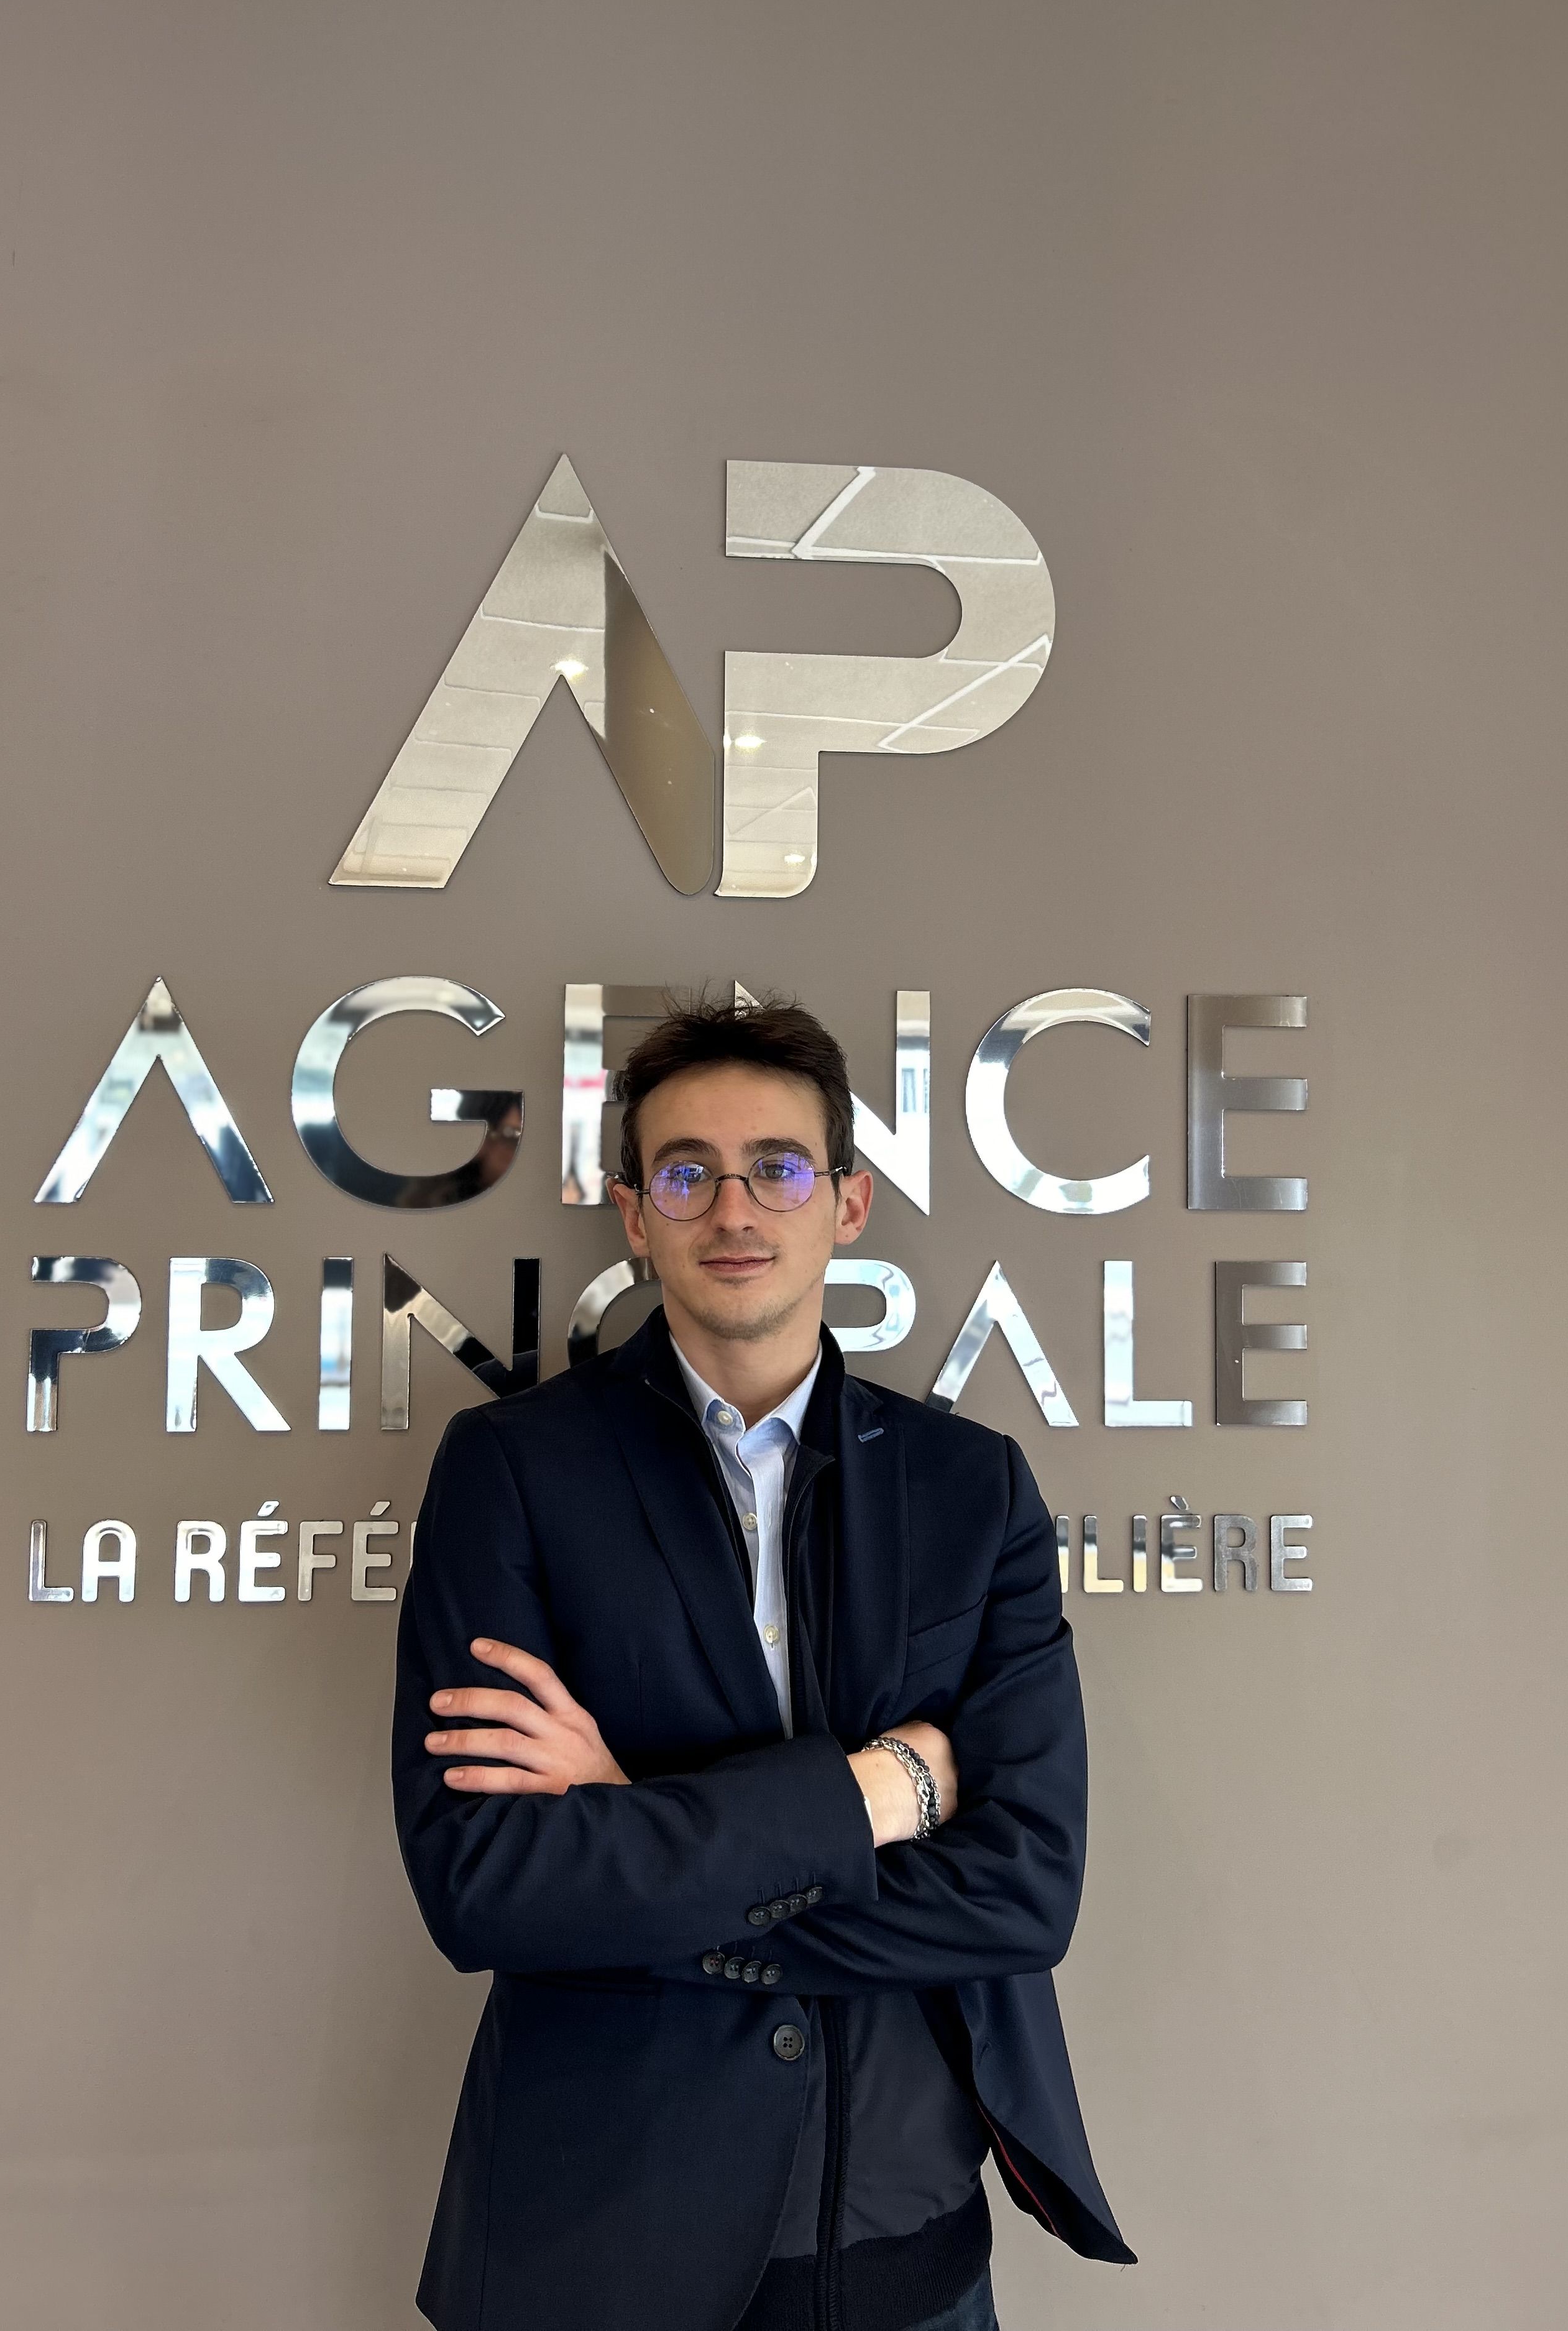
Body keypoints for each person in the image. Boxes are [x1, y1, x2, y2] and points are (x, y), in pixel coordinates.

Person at [393, 996, 1132, 2331]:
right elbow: (484, 1884)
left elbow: (1021, 1894)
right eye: (686, 1173)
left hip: (910, 2256)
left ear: (846, 1201)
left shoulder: (972, 1488)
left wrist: (632, 1818)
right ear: (635, 1215)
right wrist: (877, 1793)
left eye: (775, 1167)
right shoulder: (510, 1470)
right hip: (597, 2256)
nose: (733, 1208)